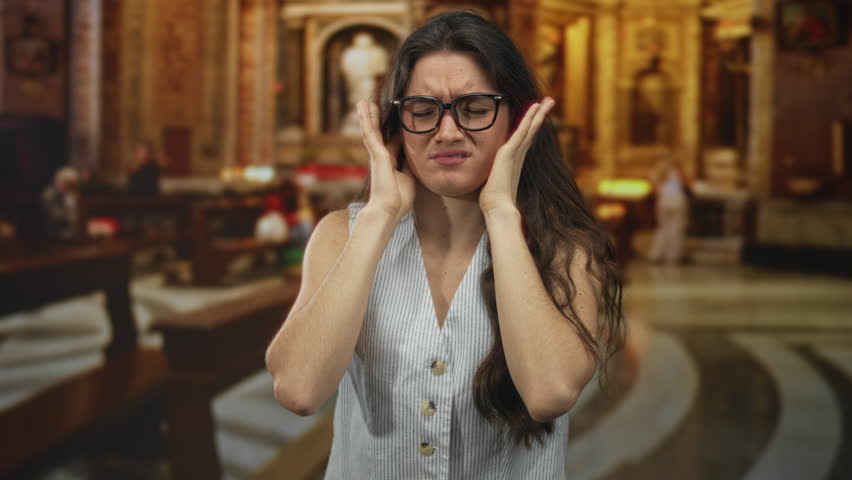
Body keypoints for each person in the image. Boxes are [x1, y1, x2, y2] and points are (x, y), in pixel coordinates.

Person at [265, 11, 624, 479]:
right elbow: (298, 390)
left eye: (474, 108)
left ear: (515, 121)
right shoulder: (342, 235)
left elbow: (549, 392)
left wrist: (500, 213)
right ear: (396, 124)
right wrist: (378, 216)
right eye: (423, 110)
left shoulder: (567, 249)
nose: (447, 132)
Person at [648, 155, 692, 264]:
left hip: (663, 202)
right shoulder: (677, 173)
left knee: (663, 228)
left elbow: (653, 190)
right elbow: (688, 185)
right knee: (676, 230)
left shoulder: (655, 173)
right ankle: (673, 257)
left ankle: (656, 255)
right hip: (677, 201)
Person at [41, 166, 80, 240]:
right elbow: (56, 216)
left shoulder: (71, 194)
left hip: (74, 228)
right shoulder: (49, 195)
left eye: (72, 185)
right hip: (57, 231)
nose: (71, 188)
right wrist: (76, 217)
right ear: (59, 182)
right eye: (68, 184)